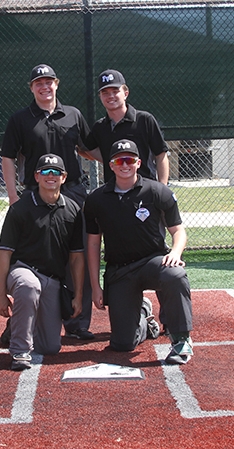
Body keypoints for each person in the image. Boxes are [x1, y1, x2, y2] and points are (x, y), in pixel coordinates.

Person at [0, 64, 100, 341]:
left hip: (73, 193)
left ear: (57, 84)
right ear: (31, 88)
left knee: (78, 254)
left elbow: (88, 149)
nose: (44, 87)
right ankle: (19, 323)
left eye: (49, 82)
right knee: (33, 257)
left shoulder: (73, 115)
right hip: (35, 196)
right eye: (38, 83)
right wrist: (13, 196)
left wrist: (123, 163)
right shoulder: (20, 119)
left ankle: (77, 322)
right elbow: (8, 157)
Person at [84, 139, 194, 365]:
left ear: (139, 163)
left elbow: (178, 231)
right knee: (122, 345)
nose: (125, 165)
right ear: (111, 165)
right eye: (119, 160)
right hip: (119, 271)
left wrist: (175, 252)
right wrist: (96, 286)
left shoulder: (157, 191)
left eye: (130, 160)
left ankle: (181, 340)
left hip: (152, 262)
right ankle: (144, 316)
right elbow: (93, 245)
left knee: (175, 274)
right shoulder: (96, 199)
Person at [0, 154, 85, 371]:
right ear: (36, 176)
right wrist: (1, 296)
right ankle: (19, 351)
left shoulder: (73, 210)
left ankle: (16, 325)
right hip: (23, 271)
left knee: (50, 347)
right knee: (29, 286)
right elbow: (4, 254)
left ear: (64, 177)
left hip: (53, 279)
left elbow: (76, 258)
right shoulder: (20, 208)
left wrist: (79, 295)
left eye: (56, 172)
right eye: (45, 172)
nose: (51, 176)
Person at [84, 69, 169, 185]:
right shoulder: (100, 127)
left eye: (115, 91)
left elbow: (161, 155)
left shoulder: (144, 120)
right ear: (100, 97)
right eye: (105, 93)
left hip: (145, 189)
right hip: (113, 193)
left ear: (125, 93)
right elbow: (88, 151)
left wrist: (162, 188)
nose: (111, 96)